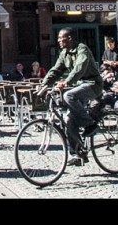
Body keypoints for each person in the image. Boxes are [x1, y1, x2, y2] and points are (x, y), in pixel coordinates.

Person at [39, 28, 105, 167]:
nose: (58, 40)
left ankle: (90, 124)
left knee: (68, 95)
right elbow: (56, 70)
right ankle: (77, 153)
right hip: (79, 86)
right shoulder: (64, 53)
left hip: (93, 85)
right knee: (69, 120)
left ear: (69, 38)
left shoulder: (82, 49)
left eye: (60, 37)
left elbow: (79, 68)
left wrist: (66, 82)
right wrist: (43, 84)